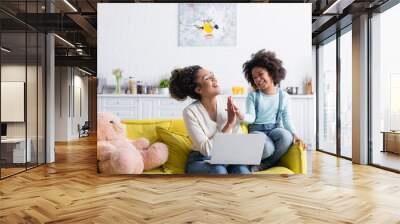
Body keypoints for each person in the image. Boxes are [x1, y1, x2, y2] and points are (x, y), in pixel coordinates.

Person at [169, 65, 250, 174]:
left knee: (242, 171)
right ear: (199, 89)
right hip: (201, 159)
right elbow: (206, 149)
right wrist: (229, 124)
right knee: (219, 171)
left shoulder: (227, 101)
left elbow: (237, 136)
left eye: (213, 75)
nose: (214, 79)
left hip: (227, 158)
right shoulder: (190, 112)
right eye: (207, 78)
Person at [237, 49, 302, 172]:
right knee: (267, 148)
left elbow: (286, 118)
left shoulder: (284, 97)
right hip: (257, 130)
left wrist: (295, 133)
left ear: (271, 73)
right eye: (254, 77)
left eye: (261, 74)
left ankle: (265, 164)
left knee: (286, 137)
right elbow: (251, 117)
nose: (258, 79)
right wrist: (242, 116)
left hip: (274, 129)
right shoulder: (253, 96)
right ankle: (269, 161)